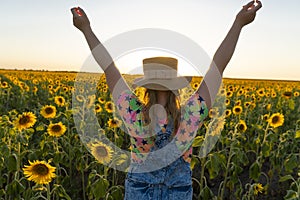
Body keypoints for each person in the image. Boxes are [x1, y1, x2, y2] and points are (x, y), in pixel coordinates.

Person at [71, 1, 262, 199]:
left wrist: (86, 29)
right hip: (177, 192)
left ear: (146, 86)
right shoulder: (190, 115)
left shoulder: (133, 112)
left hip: (139, 191)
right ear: (176, 86)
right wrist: (238, 23)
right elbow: (218, 67)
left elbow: (109, 67)